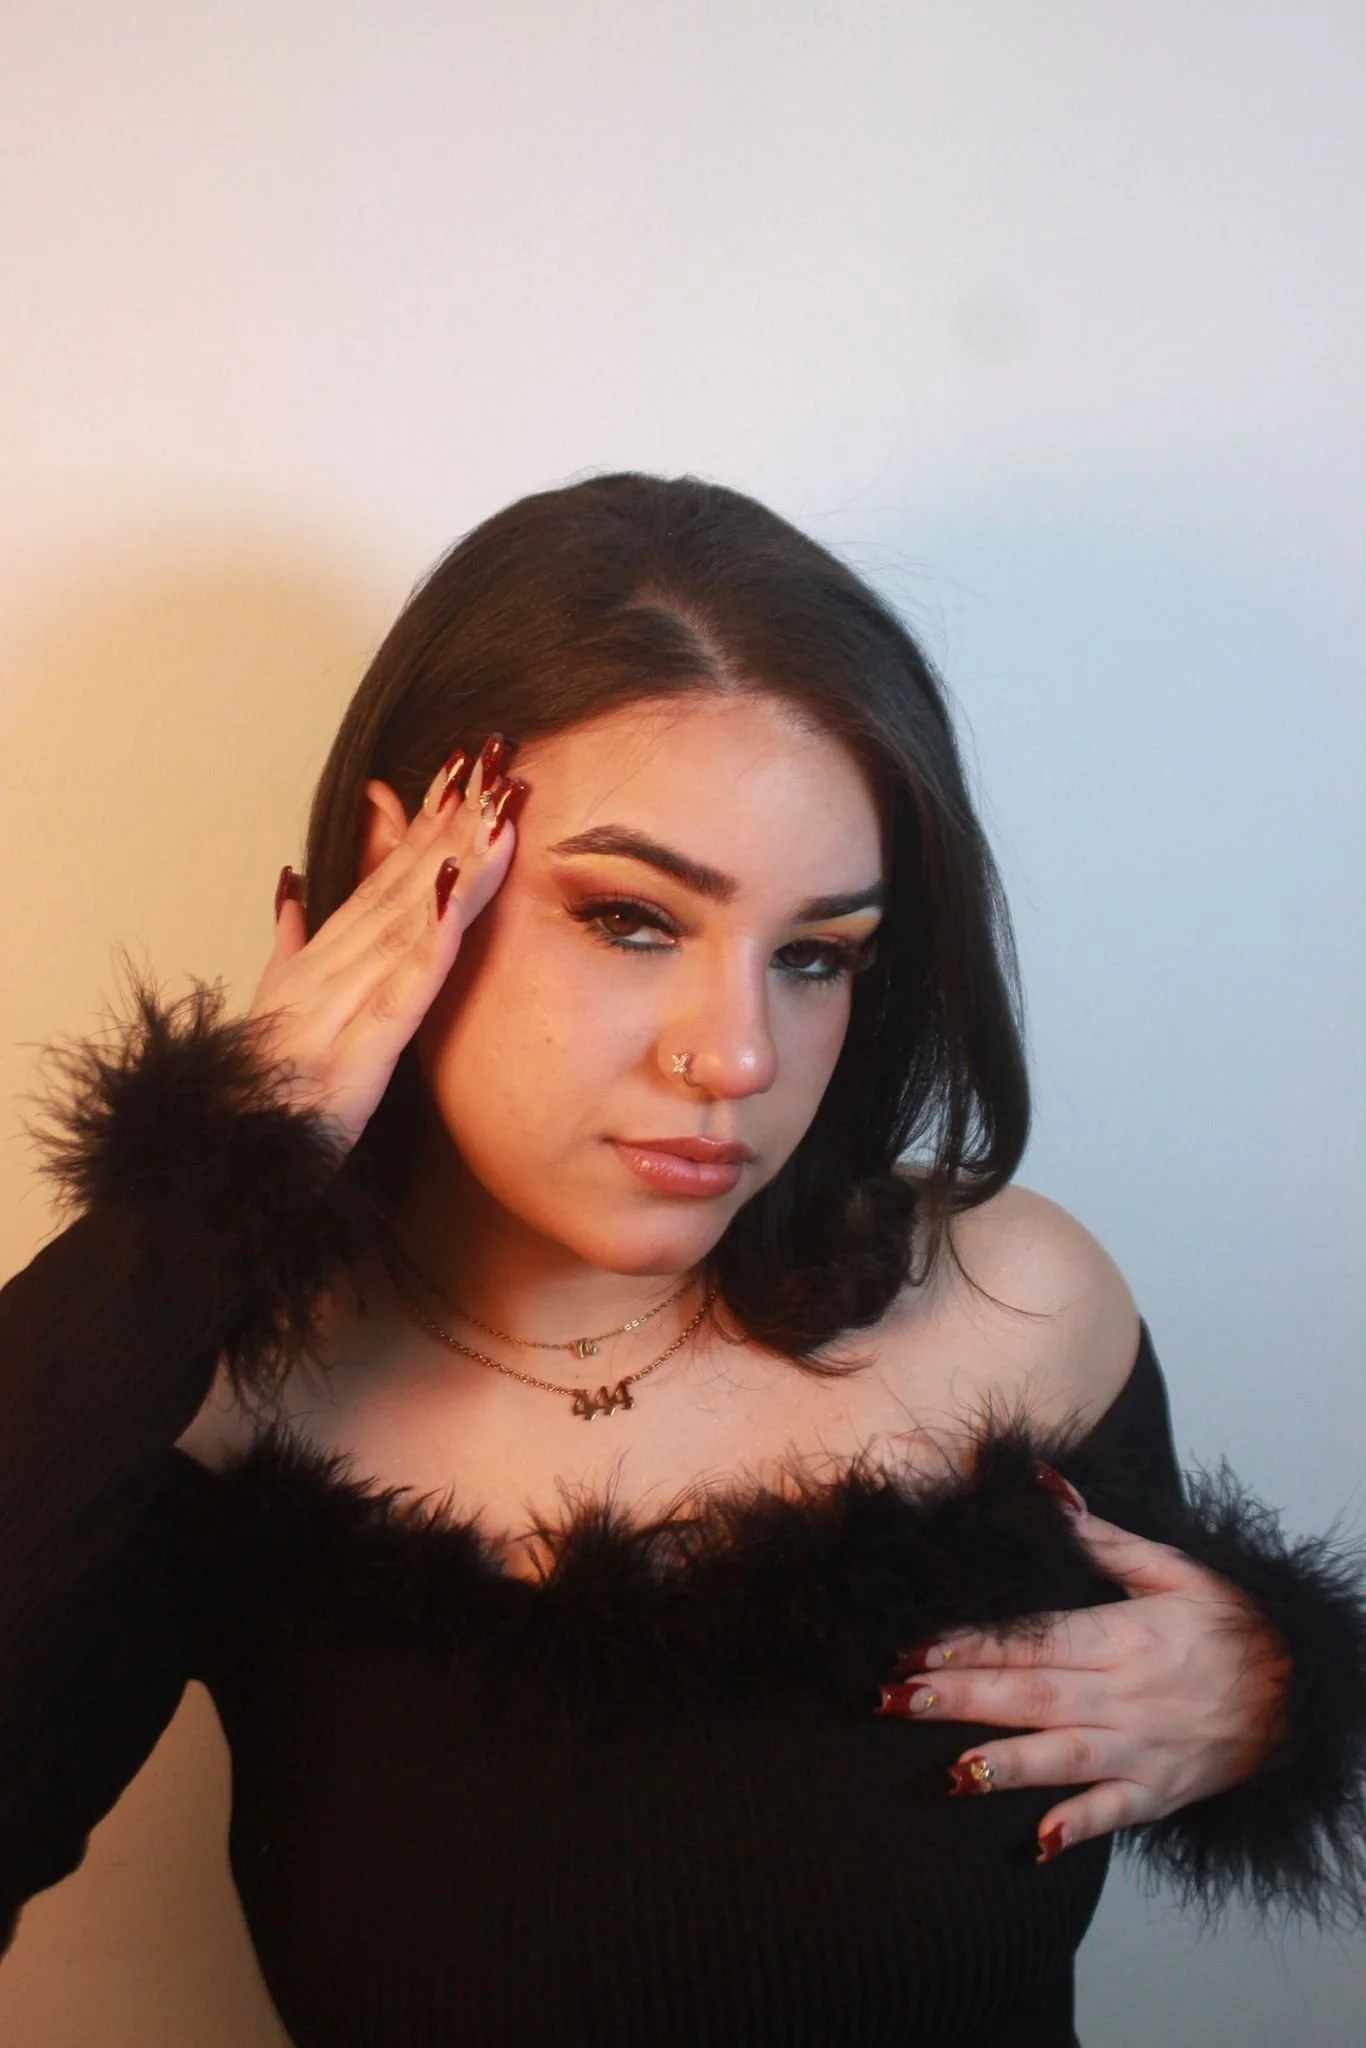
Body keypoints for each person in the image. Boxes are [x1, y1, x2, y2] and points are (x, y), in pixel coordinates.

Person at [2, 472, 1363, 2047]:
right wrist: (219, 1173)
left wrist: (1268, 1690)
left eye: (814, 956)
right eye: (633, 918)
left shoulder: (1014, 1308)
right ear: (405, 891)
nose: (735, 1057)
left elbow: (1170, 1689)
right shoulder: (222, 1388)